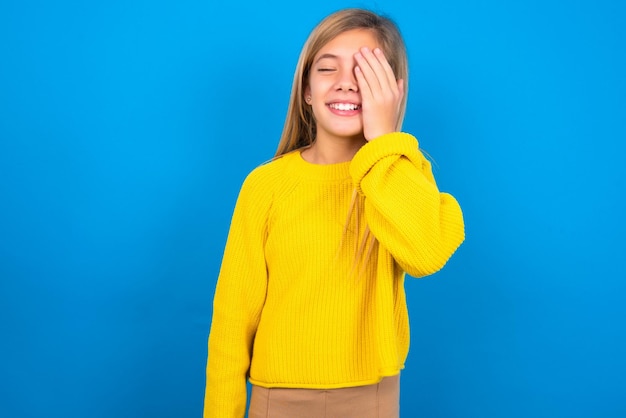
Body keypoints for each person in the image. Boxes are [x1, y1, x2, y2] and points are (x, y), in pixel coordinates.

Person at [203, 8, 465, 418]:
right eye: (328, 69)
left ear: (392, 91)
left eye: (365, 72)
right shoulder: (265, 185)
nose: (347, 83)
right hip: (278, 397)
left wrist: (384, 141)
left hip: (372, 396)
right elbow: (232, 322)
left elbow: (426, 253)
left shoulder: (403, 173)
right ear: (306, 89)